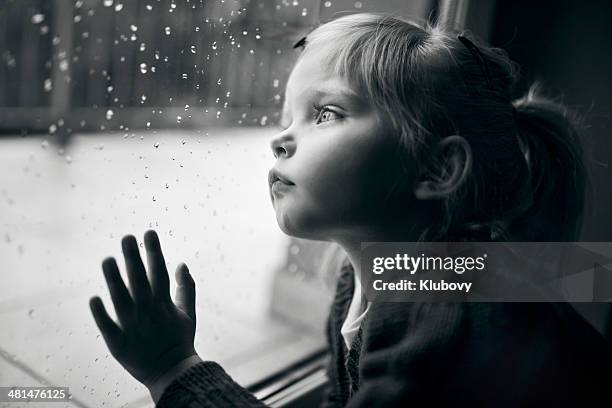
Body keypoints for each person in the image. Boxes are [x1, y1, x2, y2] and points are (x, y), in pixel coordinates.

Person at [89, 13, 612, 407]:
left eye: (325, 113)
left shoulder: (434, 311)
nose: (281, 138)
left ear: (435, 169)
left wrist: (173, 370)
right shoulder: (380, 275)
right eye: (287, 115)